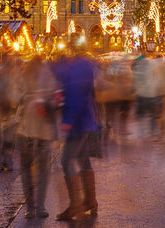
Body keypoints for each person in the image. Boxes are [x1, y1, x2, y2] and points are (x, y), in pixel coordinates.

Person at [54, 43, 99, 221]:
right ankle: (90, 201)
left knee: (66, 160)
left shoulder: (77, 70)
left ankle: (76, 205)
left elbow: (76, 96)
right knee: (82, 159)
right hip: (85, 121)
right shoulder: (82, 67)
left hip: (78, 124)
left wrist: (68, 121)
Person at [14, 57, 58, 219]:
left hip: (25, 130)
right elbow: (56, 101)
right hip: (42, 131)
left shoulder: (24, 76)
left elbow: (13, 97)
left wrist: (25, 99)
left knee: (27, 171)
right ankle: (39, 207)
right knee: (42, 170)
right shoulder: (48, 78)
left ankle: (31, 207)